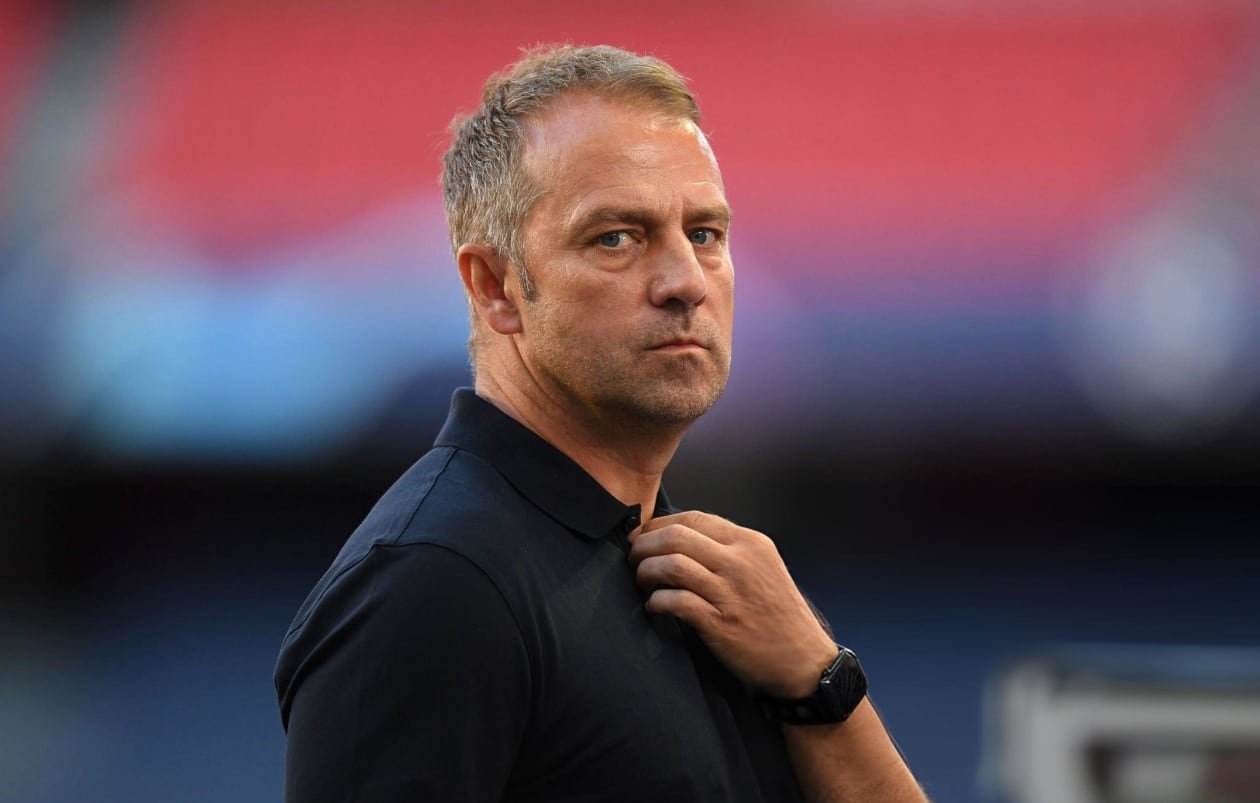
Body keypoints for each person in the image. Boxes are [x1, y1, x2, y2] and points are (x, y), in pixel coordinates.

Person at [274, 44, 925, 802]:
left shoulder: (728, 588)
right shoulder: (431, 583)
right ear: (495, 287)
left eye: (705, 234)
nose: (685, 281)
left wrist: (822, 682)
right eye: (616, 237)